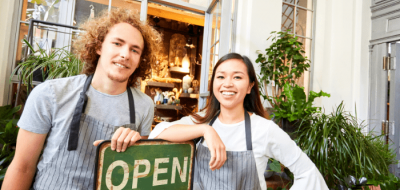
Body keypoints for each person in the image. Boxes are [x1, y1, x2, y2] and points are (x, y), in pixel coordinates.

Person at [2, 8, 161, 190]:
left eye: (135, 50)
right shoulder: (51, 94)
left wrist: (138, 146)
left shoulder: (144, 105)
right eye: (117, 43)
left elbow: (139, 173)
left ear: (141, 60)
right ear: (99, 46)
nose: (125, 54)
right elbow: (22, 167)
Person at [149, 53, 329, 190]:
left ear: (250, 86)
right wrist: (206, 131)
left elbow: (307, 172)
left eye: (237, 77)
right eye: (221, 77)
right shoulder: (201, 122)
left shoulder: (263, 129)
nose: (227, 84)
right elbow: (158, 133)